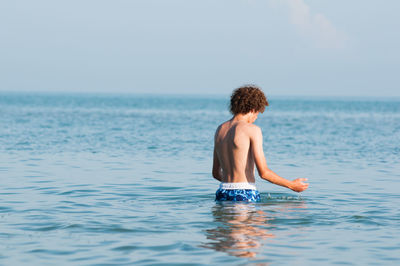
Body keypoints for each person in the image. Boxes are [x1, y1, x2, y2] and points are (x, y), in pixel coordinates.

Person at [212, 85, 309, 202]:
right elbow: (263, 172)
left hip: (222, 192)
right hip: (244, 192)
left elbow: (216, 173)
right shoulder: (252, 129)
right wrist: (292, 185)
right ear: (253, 109)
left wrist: (232, 185)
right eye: (257, 113)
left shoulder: (220, 129)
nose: (256, 117)